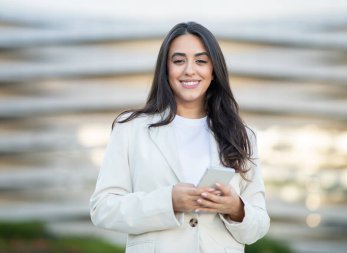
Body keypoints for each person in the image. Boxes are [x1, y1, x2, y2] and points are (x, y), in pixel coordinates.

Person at [90, 21, 270, 253]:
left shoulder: (242, 135)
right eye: (178, 60)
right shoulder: (131, 129)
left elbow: (260, 225)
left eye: (201, 61)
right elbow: (102, 208)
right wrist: (168, 202)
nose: (189, 70)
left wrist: (236, 208)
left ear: (214, 71)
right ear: (165, 69)